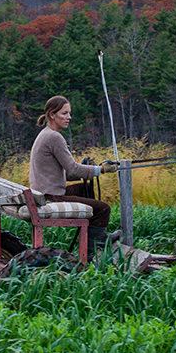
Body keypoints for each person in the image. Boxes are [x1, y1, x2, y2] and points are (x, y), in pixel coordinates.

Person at [29, 95, 119, 246]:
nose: (69, 117)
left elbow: (67, 173)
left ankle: (95, 235)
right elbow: (74, 170)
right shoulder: (54, 137)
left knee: (86, 188)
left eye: (69, 113)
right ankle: (93, 250)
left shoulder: (45, 134)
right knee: (103, 209)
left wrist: (90, 168)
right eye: (64, 113)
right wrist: (102, 169)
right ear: (52, 115)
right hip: (51, 196)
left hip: (44, 193)